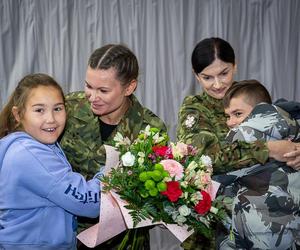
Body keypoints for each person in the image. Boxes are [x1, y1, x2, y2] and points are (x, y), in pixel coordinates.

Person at [176, 37, 300, 250]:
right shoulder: (194, 108)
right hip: (213, 229)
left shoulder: (250, 95)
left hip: (265, 220)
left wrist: (295, 151)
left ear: (235, 65)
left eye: (224, 73)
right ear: (196, 76)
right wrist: (269, 150)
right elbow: (205, 159)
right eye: (207, 77)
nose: (217, 84)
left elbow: (280, 130)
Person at [59, 44, 167, 249]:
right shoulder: (69, 108)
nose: (92, 96)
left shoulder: (150, 129)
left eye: (103, 90)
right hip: (68, 235)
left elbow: (153, 196)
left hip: (123, 242)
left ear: (129, 87)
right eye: (88, 86)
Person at [0, 73, 102, 250]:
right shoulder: (30, 154)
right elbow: (89, 203)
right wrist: (112, 172)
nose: (51, 119)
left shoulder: (39, 145)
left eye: (58, 109)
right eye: (39, 110)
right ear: (18, 114)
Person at [220, 80, 300, 249]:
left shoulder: (245, 134)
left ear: (260, 112)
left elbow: (215, 169)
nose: (230, 122)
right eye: (228, 116)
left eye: (238, 114)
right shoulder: (292, 128)